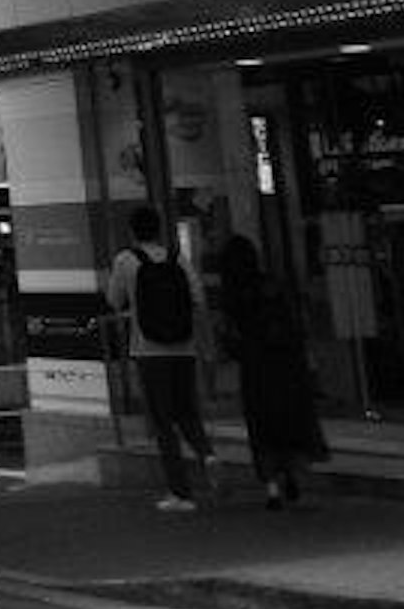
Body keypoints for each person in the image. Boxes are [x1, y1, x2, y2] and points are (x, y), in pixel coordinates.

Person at [111, 206, 214, 510]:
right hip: (184, 348)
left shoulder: (126, 260)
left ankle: (180, 492)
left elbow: (114, 300)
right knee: (187, 411)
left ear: (132, 231)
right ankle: (208, 454)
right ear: (158, 229)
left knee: (162, 421)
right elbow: (198, 298)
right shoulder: (176, 258)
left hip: (148, 350)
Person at [214, 234, 327, 510]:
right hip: (287, 365)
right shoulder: (272, 285)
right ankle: (291, 471)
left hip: (256, 368)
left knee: (261, 428)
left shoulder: (234, 295)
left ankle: (272, 488)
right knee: (287, 420)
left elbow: (231, 337)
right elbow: (294, 322)